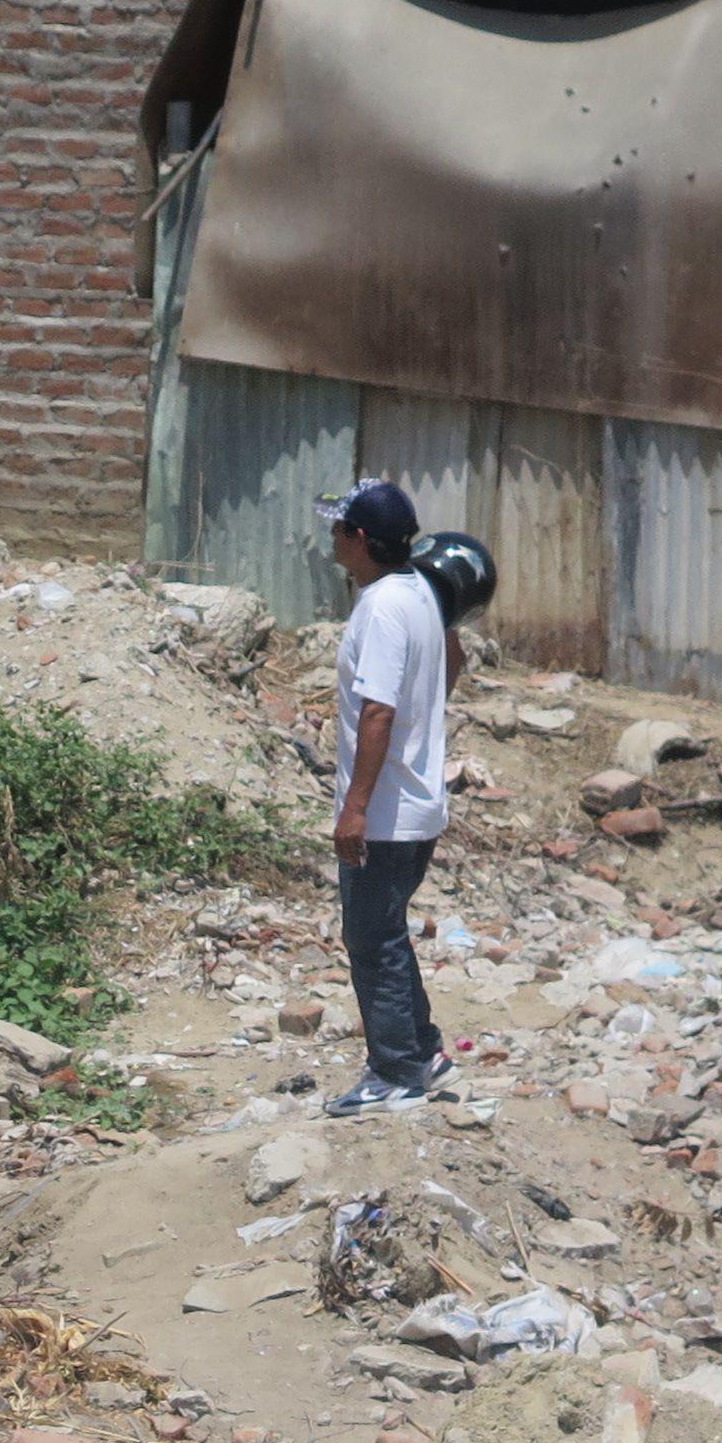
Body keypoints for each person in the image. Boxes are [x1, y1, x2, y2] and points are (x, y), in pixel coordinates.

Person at [317, 475, 463, 1117]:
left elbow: (377, 712)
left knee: (371, 938)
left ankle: (397, 1073)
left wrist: (355, 807)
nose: (331, 537)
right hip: (418, 803)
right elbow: (453, 663)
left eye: (338, 527)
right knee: (387, 933)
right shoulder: (420, 593)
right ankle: (424, 1047)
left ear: (359, 539)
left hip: (387, 814)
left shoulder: (379, 607)